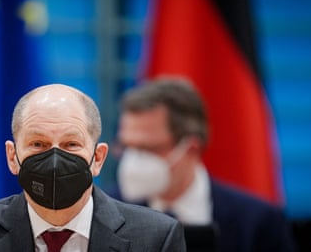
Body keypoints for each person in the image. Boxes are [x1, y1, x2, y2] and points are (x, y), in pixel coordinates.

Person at [0, 83, 186, 251]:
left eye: (71, 144)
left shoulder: (156, 238)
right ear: (12, 157)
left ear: (98, 158)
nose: (54, 160)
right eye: (38, 144)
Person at [115, 77, 295, 252]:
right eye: (126, 146)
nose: (133, 159)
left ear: (191, 148)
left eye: (147, 149)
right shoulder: (103, 213)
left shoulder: (258, 222)